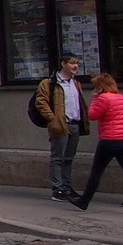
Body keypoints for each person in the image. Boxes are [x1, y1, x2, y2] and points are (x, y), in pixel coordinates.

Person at [72, 73, 123, 211]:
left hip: (109, 140)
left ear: (100, 87)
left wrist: (95, 98)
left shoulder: (103, 98)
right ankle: (84, 201)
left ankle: (84, 201)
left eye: (95, 87)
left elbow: (92, 115)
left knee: (97, 171)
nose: (94, 89)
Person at [34, 53, 87, 203]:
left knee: (69, 158)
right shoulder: (49, 83)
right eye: (72, 63)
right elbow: (41, 102)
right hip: (60, 124)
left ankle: (67, 187)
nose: (75, 66)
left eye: (77, 63)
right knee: (58, 158)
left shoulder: (75, 83)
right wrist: (52, 118)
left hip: (74, 124)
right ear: (63, 64)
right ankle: (57, 189)